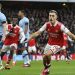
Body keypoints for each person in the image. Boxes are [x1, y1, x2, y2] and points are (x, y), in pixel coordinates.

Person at [29, 10, 75, 75]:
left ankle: (47, 67)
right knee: (44, 57)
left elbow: (70, 34)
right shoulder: (46, 24)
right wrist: (29, 38)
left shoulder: (60, 26)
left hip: (58, 44)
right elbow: (38, 33)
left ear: (56, 17)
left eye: (53, 16)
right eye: (50, 16)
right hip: (49, 43)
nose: (51, 17)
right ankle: (47, 69)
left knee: (47, 54)